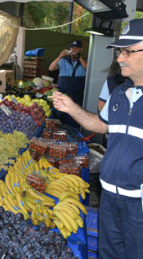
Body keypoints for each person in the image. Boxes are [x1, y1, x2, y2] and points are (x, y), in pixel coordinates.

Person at [52, 18, 143, 259]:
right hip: (109, 198)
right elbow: (101, 125)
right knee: (108, 254)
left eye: (127, 52)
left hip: (138, 205)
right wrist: (72, 108)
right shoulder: (120, 94)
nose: (120, 58)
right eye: (119, 52)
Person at [49, 40, 87, 127]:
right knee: (60, 114)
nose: (73, 50)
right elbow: (51, 68)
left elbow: (88, 68)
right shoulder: (63, 61)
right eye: (72, 48)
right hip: (63, 92)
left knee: (74, 116)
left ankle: (73, 132)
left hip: (77, 94)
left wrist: (79, 57)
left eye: (76, 48)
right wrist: (60, 56)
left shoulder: (84, 61)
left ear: (81, 49)